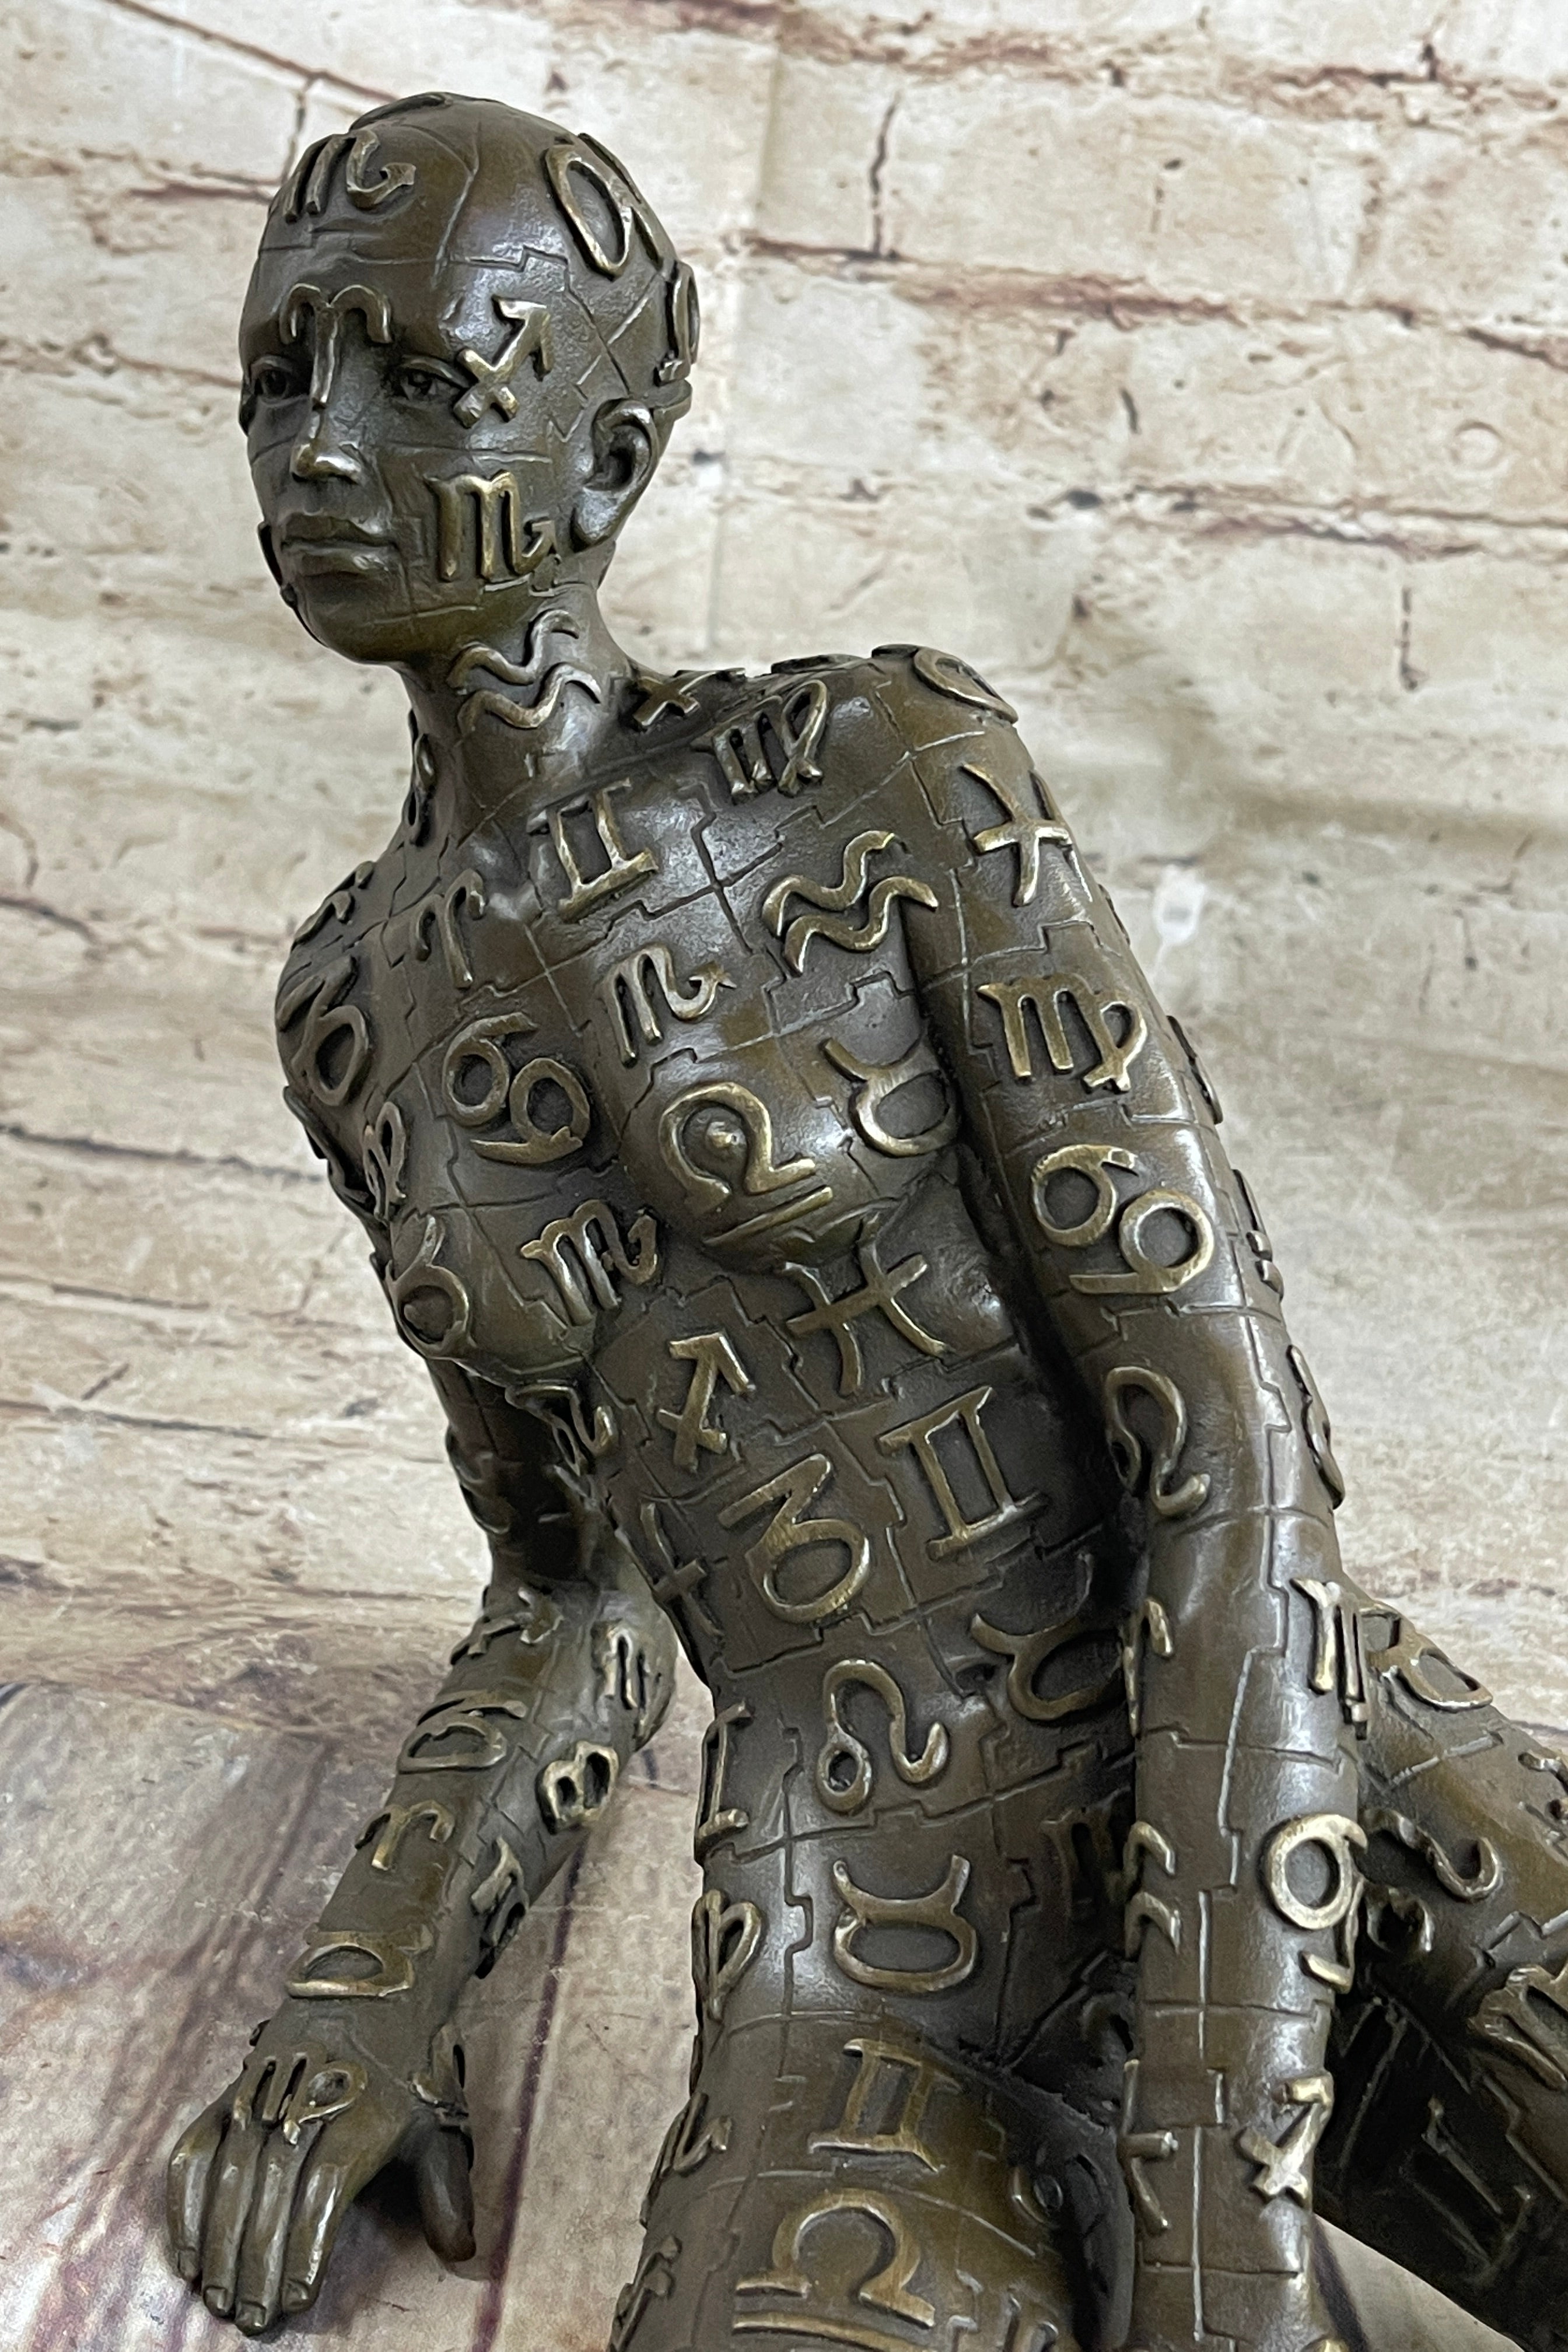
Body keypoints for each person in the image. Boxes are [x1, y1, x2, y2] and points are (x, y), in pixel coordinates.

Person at [166, 92, 1568, 2351]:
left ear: (611, 459)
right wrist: (366, 2001)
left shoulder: (874, 774)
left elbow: (1226, 1452)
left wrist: (1211, 2184)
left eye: (418, 378)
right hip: (858, 1950)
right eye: (277, 371)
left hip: (1269, 1776)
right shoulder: (358, 1010)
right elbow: (570, 1591)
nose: (317, 445)